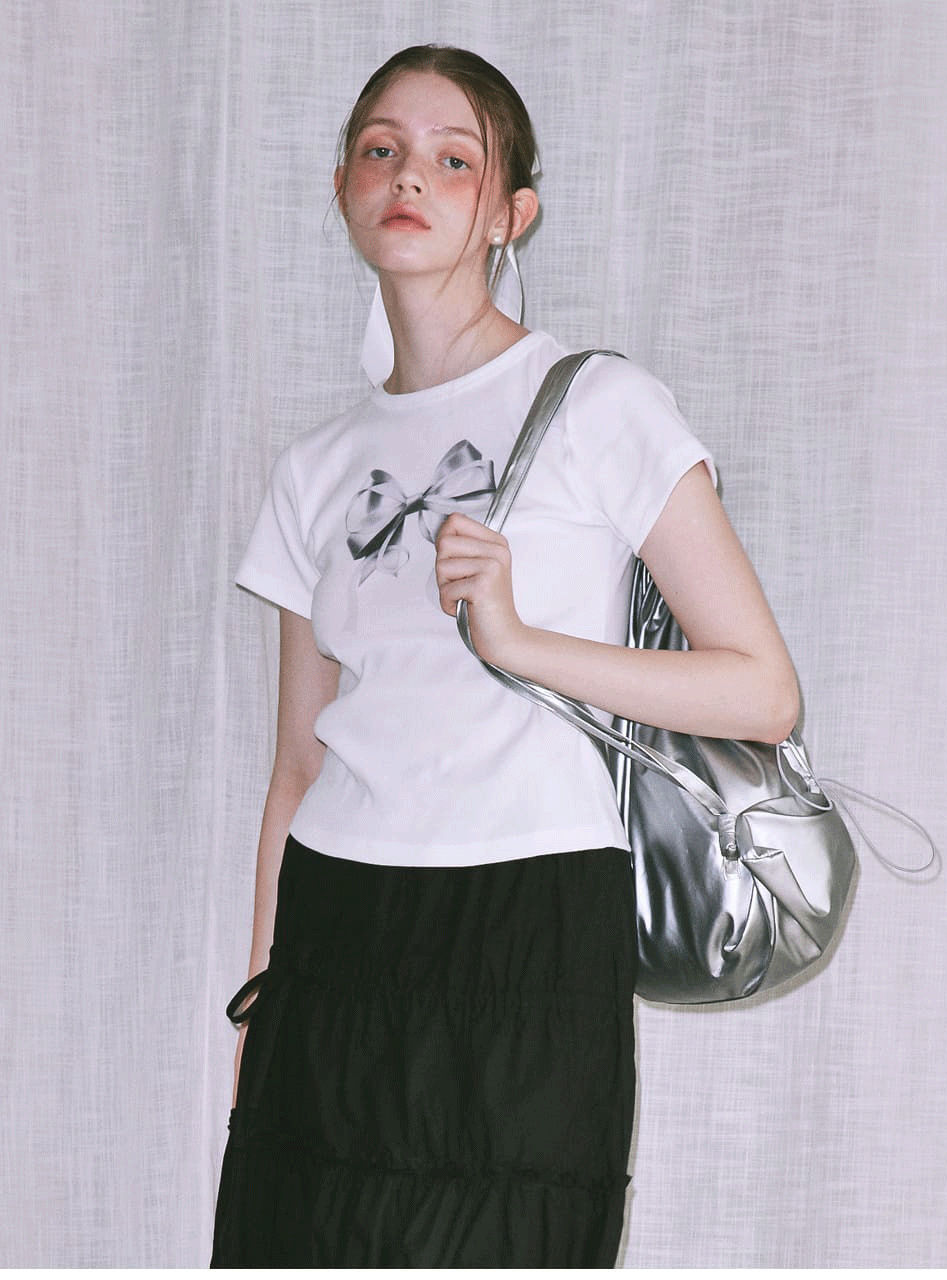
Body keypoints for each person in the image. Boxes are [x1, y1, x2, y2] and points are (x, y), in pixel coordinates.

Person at [210, 44, 799, 1268]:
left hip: (527, 920)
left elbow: (760, 689)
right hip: (335, 930)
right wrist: (261, 1004)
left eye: (452, 158)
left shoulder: (600, 405)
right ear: (343, 188)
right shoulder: (315, 469)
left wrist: (524, 643)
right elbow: (296, 767)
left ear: (509, 214)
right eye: (380, 150)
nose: (407, 176)